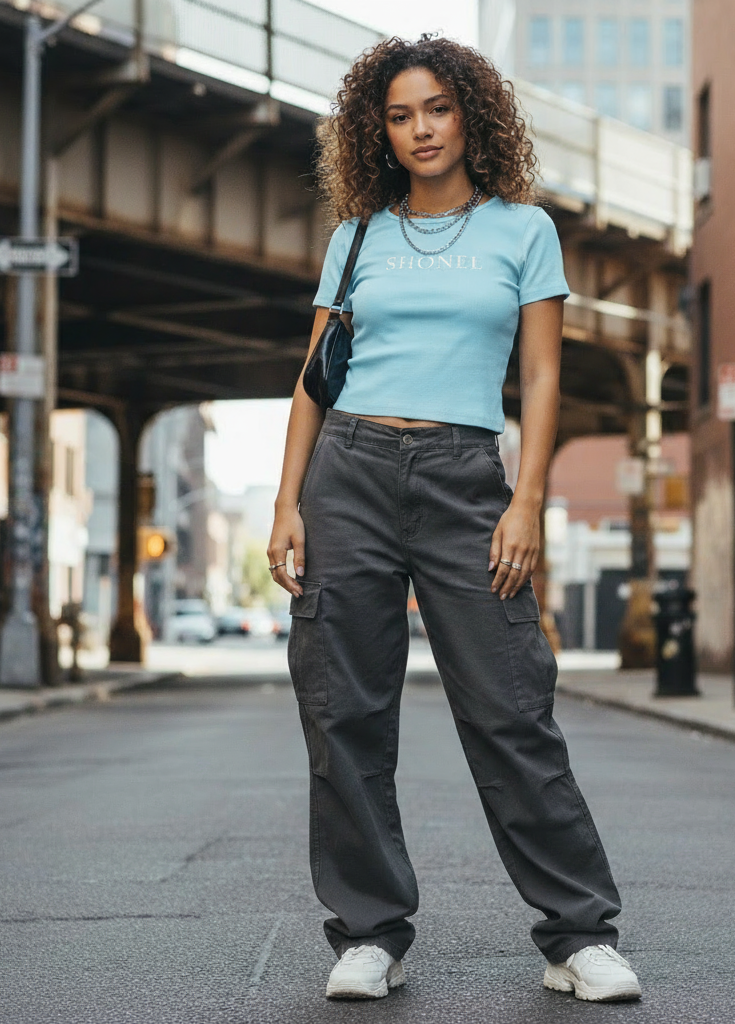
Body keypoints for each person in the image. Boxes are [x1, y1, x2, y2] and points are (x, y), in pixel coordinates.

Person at [267, 34, 641, 1004]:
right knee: (343, 711)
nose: (419, 129)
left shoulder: (524, 229)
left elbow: (545, 375)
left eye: (435, 108)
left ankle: (576, 935)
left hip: (466, 478)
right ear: (374, 130)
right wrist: (285, 505)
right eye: (398, 115)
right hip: (347, 474)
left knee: (511, 704)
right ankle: (368, 932)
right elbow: (314, 382)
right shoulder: (356, 237)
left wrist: (528, 500)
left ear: (471, 114)